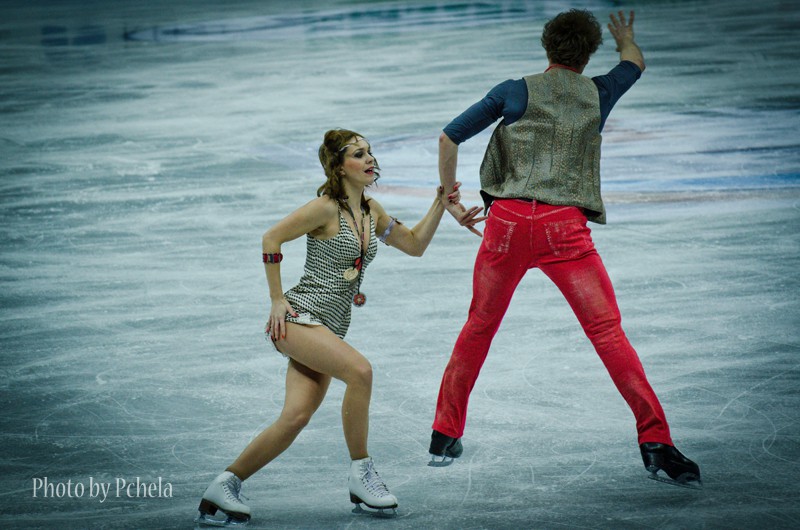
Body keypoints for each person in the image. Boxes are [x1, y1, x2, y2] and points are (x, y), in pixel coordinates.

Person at [428, 10, 702, 489]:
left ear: (547, 46)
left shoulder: (515, 90)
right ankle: (656, 441)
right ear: (588, 53)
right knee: (607, 334)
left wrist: (450, 200)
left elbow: (450, 135)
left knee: (479, 326)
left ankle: (444, 433)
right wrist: (626, 38)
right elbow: (635, 63)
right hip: (564, 230)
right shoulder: (600, 91)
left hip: (507, 226)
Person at [196, 129, 459, 525]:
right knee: (361, 372)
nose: (369, 159)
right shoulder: (324, 208)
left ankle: (224, 484)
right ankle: (362, 473)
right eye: (358, 154)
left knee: (295, 417)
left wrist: (440, 203)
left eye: (369, 152)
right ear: (339, 167)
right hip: (299, 319)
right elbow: (272, 238)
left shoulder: (370, 210)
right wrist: (276, 299)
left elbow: (414, 245)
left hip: (329, 327)